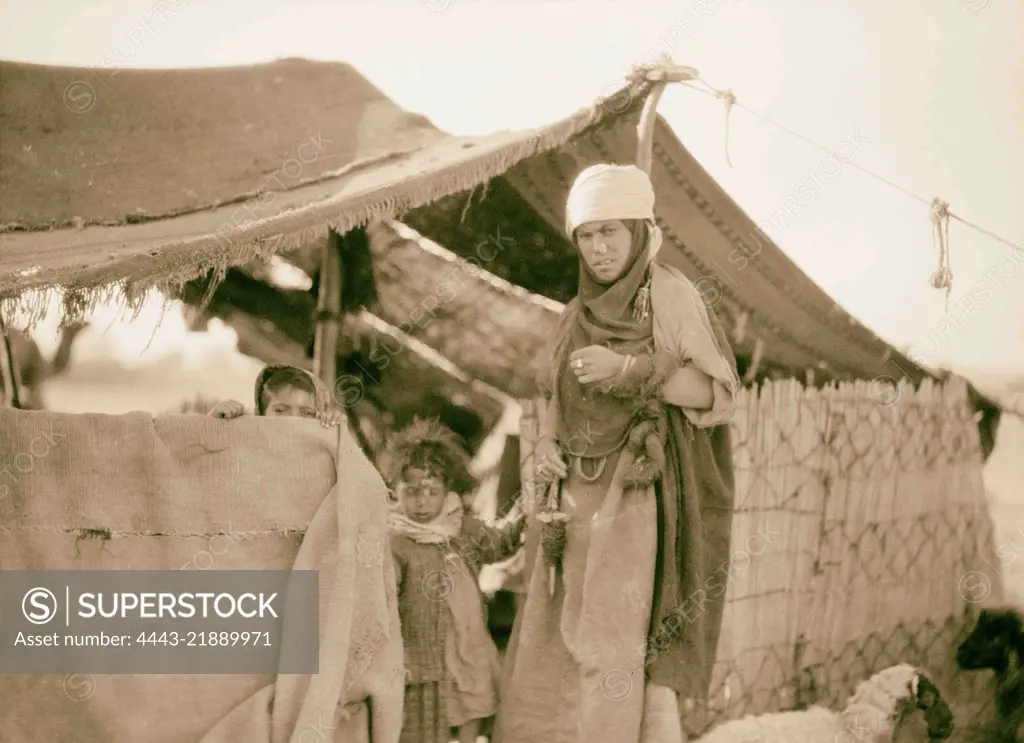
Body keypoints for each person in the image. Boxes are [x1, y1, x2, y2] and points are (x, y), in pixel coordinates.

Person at [492, 164, 740, 743]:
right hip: (576, 493)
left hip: (639, 490)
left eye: (611, 232)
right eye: (587, 235)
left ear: (637, 230)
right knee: (559, 626)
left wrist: (628, 370)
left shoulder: (672, 297)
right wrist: (549, 443)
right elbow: (556, 391)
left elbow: (718, 394)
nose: (599, 248)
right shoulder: (579, 310)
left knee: (613, 636)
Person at [385, 418, 526, 743]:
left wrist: (524, 514)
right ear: (396, 490)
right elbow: (385, 595)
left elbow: (500, 543)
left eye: (432, 492)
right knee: (429, 718)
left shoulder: (463, 528)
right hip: (424, 652)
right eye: (412, 492)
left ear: (447, 490)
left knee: (474, 705)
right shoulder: (396, 542)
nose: (422, 502)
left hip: (470, 644)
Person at [207, 364, 344, 426]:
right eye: (280, 410)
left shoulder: (324, 456)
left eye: (307, 413)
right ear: (260, 414)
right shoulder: (243, 448)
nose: (293, 420)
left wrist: (340, 436)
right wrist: (209, 426)